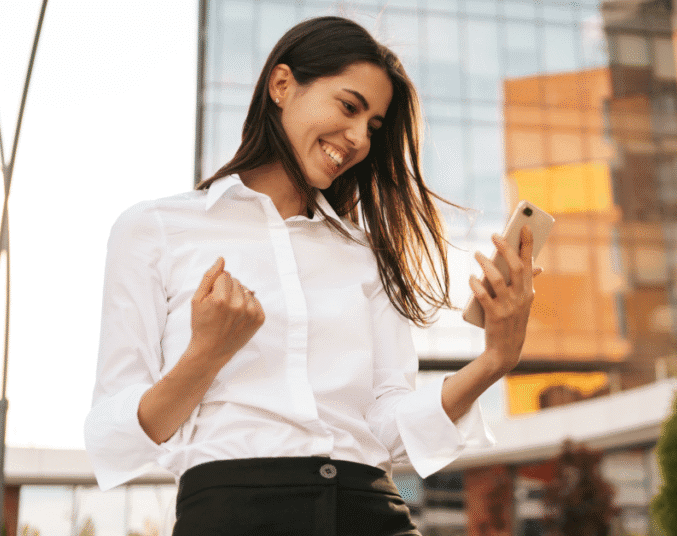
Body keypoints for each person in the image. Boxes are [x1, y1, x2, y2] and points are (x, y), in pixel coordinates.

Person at [84, 16, 540, 536]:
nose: (358, 139)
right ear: (282, 85)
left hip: (368, 512)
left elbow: (386, 427)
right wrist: (205, 353)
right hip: (234, 516)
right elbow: (113, 435)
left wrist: (495, 360)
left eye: (372, 125)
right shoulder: (156, 229)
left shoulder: (365, 255)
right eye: (349, 106)